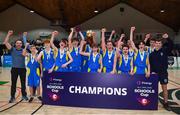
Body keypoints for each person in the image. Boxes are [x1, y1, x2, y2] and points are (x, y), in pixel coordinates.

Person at [149, 33, 173, 111]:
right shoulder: (151, 54)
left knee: (165, 89)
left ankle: (166, 103)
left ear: (161, 44)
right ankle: (152, 102)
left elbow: (171, 45)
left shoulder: (165, 51)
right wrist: (152, 72)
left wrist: (168, 38)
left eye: (159, 43)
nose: (158, 44)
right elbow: (150, 65)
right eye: (157, 43)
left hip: (163, 73)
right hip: (155, 74)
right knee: (153, 89)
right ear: (154, 44)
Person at [3, 30, 28, 103]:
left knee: (23, 83)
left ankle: (24, 95)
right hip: (14, 69)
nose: (19, 44)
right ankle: (12, 97)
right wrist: (8, 34)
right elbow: (5, 42)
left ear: (21, 44)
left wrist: (24, 38)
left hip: (22, 69)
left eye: (20, 43)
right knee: (13, 83)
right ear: (15, 44)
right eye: (17, 43)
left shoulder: (24, 50)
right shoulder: (12, 50)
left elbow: (24, 54)